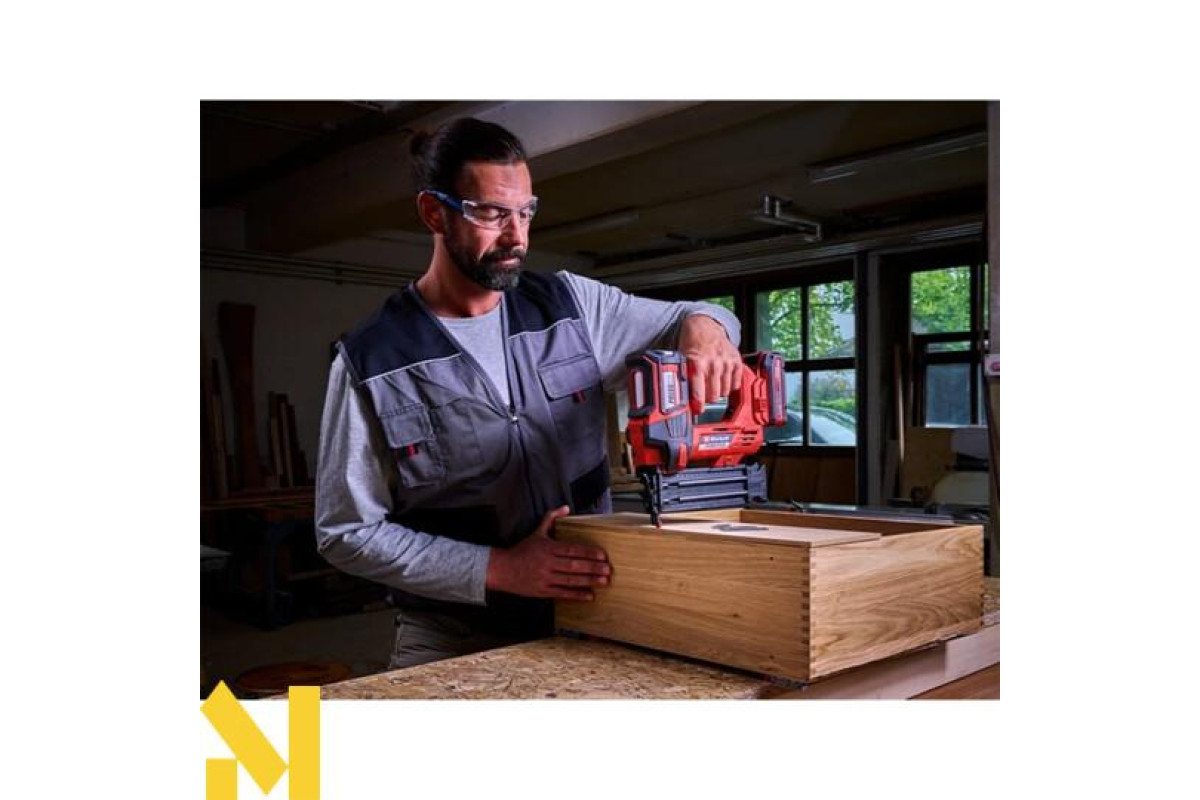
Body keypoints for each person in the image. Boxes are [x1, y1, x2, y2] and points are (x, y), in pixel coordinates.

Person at [315, 117, 743, 670]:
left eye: (525, 212)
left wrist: (705, 330)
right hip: (450, 635)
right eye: (492, 214)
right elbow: (345, 532)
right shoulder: (372, 360)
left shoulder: (574, 308)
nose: (517, 237)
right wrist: (498, 568)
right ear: (434, 213)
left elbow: (696, 315)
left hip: (588, 618)